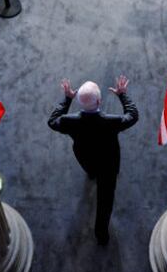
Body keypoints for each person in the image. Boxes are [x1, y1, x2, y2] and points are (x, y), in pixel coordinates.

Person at [48, 75, 138, 245]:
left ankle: (91, 174)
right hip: (108, 165)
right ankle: (101, 234)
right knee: (105, 201)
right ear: (99, 102)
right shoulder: (112, 121)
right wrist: (122, 94)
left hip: (85, 156)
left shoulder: (69, 121)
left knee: (90, 169)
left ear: (79, 102)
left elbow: (52, 121)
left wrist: (67, 100)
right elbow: (132, 116)